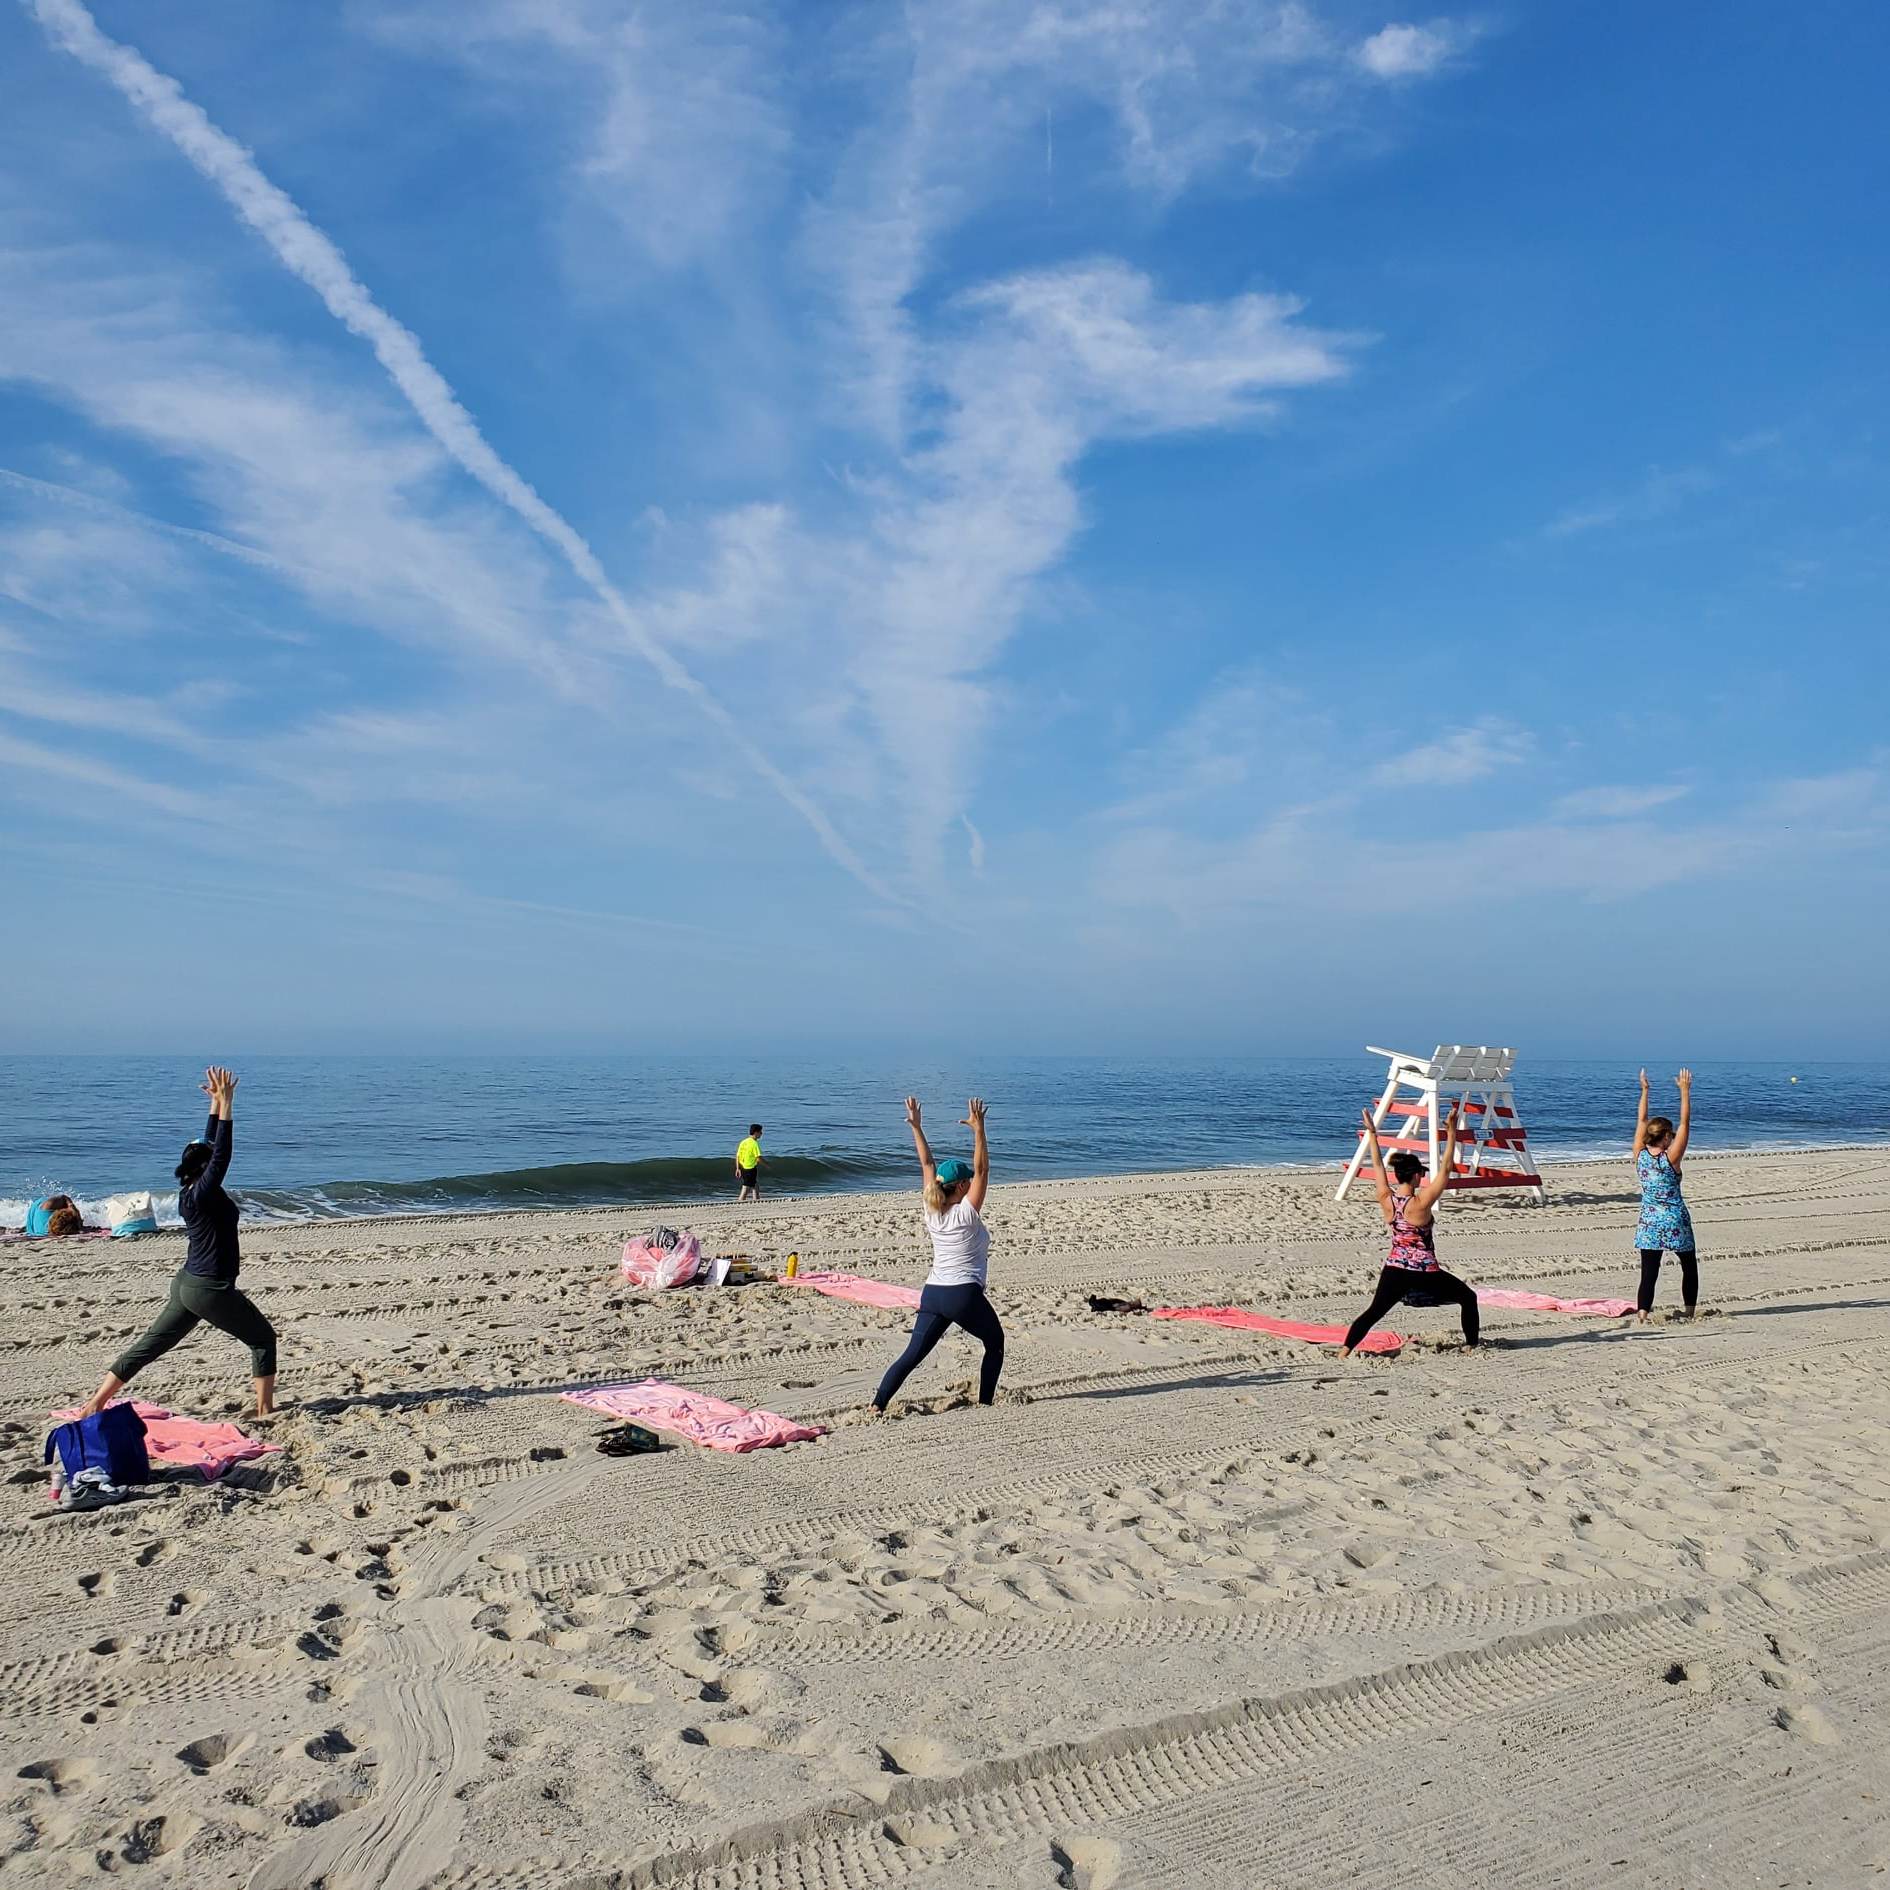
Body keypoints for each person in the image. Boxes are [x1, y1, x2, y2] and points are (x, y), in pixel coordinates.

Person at [78, 1067, 279, 1421]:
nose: (215, 1161)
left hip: (187, 1284)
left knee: (151, 1344)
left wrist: (215, 1105)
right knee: (263, 1339)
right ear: (205, 1167)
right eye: (210, 1161)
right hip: (211, 1289)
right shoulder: (205, 1192)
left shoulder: (191, 1189)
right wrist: (228, 1105)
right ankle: (265, 1410)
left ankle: (95, 1402)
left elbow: (209, 1147)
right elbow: (221, 1153)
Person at [873, 1097, 1004, 1412]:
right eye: (968, 1182)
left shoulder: (930, 1208)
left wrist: (917, 1128)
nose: (972, 1184)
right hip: (962, 1295)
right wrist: (979, 1129)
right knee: (995, 1343)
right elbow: (982, 1168)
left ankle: (877, 1405)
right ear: (960, 1187)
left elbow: (927, 1165)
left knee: (912, 1355)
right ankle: (985, 1403)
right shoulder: (966, 1213)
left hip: (933, 1293)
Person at [1341, 1101, 1480, 1357]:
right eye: (1421, 1174)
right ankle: (1472, 1345)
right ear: (1416, 1176)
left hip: (1394, 1269)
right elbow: (1446, 1169)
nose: (1422, 1177)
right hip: (1424, 1272)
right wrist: (1451, 1132)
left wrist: (1372, 1134)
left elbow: (1378, 1166)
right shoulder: (1420, 1203)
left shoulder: (1386, 1199)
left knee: (1374, 1312)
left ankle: (1345, 1350)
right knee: (1468, 1298)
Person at [1632, 1068, 1697, 1322]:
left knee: (1649, 1271)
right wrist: (1685, 1091)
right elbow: (1685, 1123)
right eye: (1670, 1134)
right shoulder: (1671, 1158)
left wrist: (1645, 1090)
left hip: (1649, 1221)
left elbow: (1641, 1120)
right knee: (1688, 1265)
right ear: (1666, 1136)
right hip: (1675, 1219)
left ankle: (1642, 1313)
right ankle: (1689, 1311)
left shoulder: (1639, 1155)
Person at [735, 1124, 764, 1201]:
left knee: (755, 1185)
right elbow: (758, 1158)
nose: (761, 1134)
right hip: (750, 1168)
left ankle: (756, 1200)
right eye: (760, 1132)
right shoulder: (754, 1143)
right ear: (756, 1133)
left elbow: (738, 1156)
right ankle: (740, 1201)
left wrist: (738, 1168)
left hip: (743, 1167)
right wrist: (767, 1165)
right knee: (745, 1188)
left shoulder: (743, 1142)